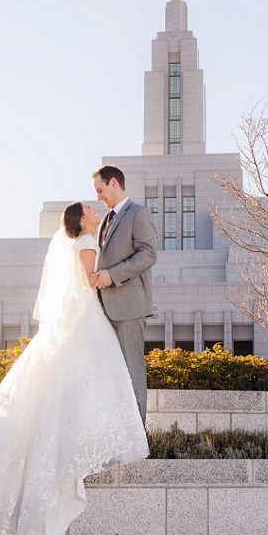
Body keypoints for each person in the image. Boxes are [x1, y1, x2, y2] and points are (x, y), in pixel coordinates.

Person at [0, 201, 149, 535]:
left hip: (70, 322)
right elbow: (89, 280)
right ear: (83, 219)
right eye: (90, 205)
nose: (95, 205)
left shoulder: (73, 239)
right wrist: (108, 275)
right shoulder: (87, 238)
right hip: (85, 321)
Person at [90, 165, 158, 421]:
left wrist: (112, 275)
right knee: (112, 373)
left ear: (114, 183)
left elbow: (149, 254)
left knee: (132, 372)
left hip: (129, 307)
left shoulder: (138, 214)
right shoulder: (103, 222)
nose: (98, 197)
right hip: (104, 309)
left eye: (100, 190)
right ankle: (118, 432)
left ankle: (138, 435)